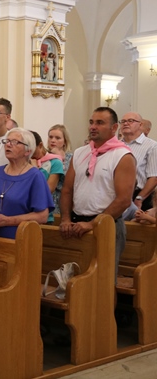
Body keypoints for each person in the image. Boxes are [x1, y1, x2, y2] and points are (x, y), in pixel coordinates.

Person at [60, 107, 135, 278]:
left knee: (103, 281)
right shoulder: (80, 153)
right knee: (74, 279)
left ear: (114, 127)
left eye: (100, 123)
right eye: (91, 122)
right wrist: (65, 218)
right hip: (77, 223)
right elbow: (67, 190)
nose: (93, 127)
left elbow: (124, 200)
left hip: (107, 225)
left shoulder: (122, 156)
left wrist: (93, 224)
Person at [0, 128, 54, 239]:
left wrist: (8, 221)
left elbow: (42, 216)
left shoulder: (35, 177)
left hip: (19, 239)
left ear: (28, 151)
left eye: (15, 142)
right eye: (7, 141)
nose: (8, 145)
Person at [120, 112, 157, 211]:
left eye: (130, 121)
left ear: (140, 124)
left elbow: (154, 177)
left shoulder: (152, 146)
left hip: (140, 196)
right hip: (116, 195)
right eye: (123, 121)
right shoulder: (116, 145)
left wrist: (140, 198)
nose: (125, 123)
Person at [31, 131, 64, 223]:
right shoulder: (24, 161)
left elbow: (48, 189)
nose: (28, 151)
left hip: (44, 212)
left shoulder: (55, 162)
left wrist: (34, 170)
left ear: (40, 145)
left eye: (31, 147)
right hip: (25, 211)